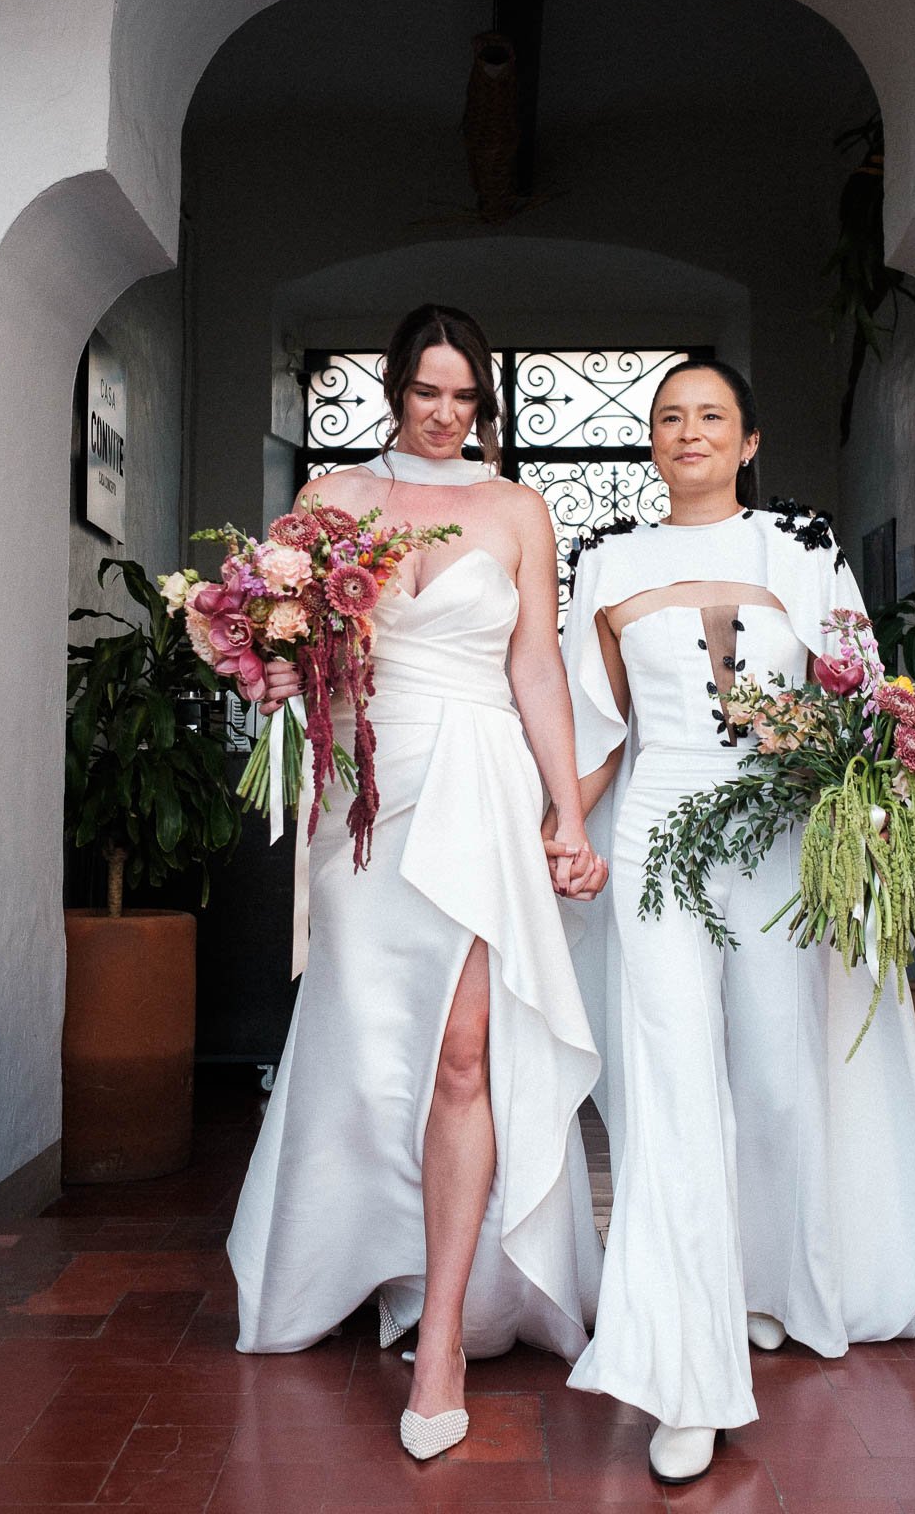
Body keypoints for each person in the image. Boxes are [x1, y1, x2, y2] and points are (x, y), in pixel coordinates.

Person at [559, 358, 915, 1486]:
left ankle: (766, 1287)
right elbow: (595, 728)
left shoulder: (803, 550)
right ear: (652, 444)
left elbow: (864, 706)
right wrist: (559, 834)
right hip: (658, 833)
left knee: (777, 1080)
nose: (689, 432)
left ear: (748, 441)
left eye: (711, 417)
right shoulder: (609, 562)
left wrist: (875, 832)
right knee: (674, 1086)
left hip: (780, 838)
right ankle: (685, 1373)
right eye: (669, 418)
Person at [227, 305, 607, 1462]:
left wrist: (569, 811)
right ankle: (364, 1261)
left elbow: (535, 661)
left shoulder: (517, 509)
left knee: (463, 1051)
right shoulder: (333, 503)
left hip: (483, 779)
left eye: (465, 397)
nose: (446, 415)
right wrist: (271, 665)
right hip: (368, 794)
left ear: (484, 403)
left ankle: (444, 1331)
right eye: (428, 392)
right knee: (367, 1036)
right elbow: (279, 639)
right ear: (394, 389)